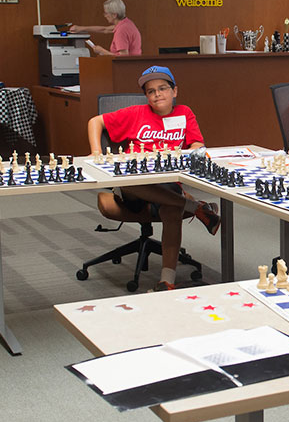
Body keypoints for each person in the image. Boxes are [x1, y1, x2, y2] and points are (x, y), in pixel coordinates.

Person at [87, 66, 220, 291]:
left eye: (162, 88)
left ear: (174, 91)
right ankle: (195, 207)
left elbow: (197, 143)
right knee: (131, 181)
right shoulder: (135, 113)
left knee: (170, 209)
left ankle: (166, 280)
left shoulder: (185, 113)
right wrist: (96, 151)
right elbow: (95, 121)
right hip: (132, 187)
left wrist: (194, 150)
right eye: (150, 91)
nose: (157, 94)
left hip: (166, 182)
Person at [68, 0, 141, 56]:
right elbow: (104, 29)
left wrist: (101, 51)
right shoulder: (127, 23)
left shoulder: (121, 30)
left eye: (106, 13)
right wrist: (81, 28)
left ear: (114, 15)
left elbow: (123, 57)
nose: (105, 16)